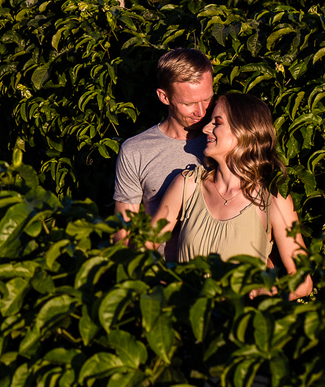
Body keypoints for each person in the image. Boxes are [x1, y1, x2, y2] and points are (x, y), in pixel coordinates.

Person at [147, 92, 313, 300]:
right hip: (187, 322)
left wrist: (268, 292)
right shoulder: (187, 185)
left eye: (217, 123)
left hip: (240, 326)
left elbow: (303, 280)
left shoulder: (273, 200)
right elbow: (146, 245)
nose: (206, 128)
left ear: (243, 131)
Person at [112, 48, 214, 253]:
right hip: (160, 275)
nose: (201, 112)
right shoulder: (136, 151)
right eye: (189, 103)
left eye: (207, 99)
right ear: (164, 97)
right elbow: (124, 229)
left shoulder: (221, 141)